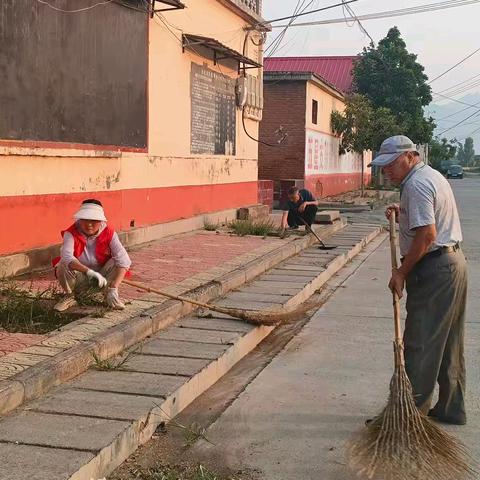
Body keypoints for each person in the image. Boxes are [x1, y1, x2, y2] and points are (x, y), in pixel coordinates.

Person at [372, 135, 467, 425]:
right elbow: (428, 219)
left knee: (420, 343)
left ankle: (407, 416)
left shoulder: (416, 184)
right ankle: (451, 408)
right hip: (453, 265)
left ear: (410, 156)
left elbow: (427, 234)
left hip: (435, 270)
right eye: (383, 165)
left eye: (391, 163)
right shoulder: (430, 176)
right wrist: (402, 214)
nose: (386, 170)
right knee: (450, 343)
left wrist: (401, 272)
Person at [53, 199, 132, 312]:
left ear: (101, 221)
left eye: (94, 220)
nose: (89, 224)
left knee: (117, 261)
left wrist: (114, 286)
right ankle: (70, 296)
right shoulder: (70, 233)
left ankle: (109, 294)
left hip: (103, 279)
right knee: (62, 263)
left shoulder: (109, 233)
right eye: (85, 220)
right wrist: (89, 272)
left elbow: (124, 260)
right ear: (79, 220)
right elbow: (67, 257)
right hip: (79, 279)